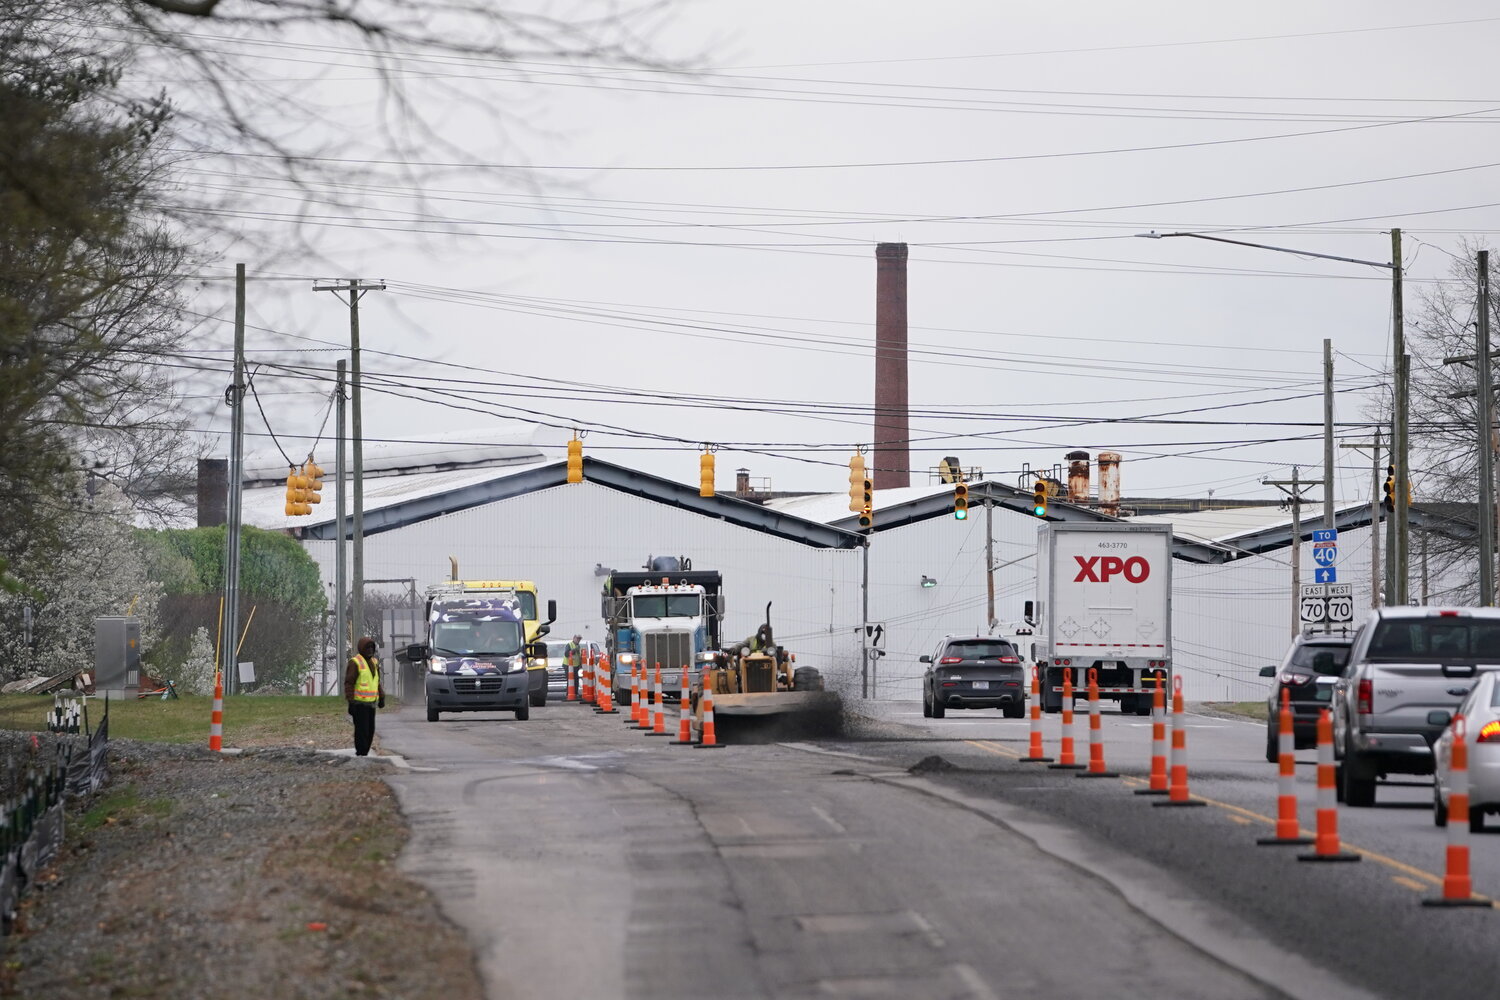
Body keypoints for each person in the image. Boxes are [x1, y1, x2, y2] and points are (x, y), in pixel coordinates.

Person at [344, 636, 385, 756]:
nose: (370, 650)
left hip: (371, 704)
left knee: (370, 730)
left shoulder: (374, 662)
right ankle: (361, 753)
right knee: (362, 731)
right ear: (362, 648)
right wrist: (351, 702)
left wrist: (381, 697)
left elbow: (377, 682)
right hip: (359, 704)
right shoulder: (355, 662)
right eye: (367, 648)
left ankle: (365, 753)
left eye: (372, 648)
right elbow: (349, 683)